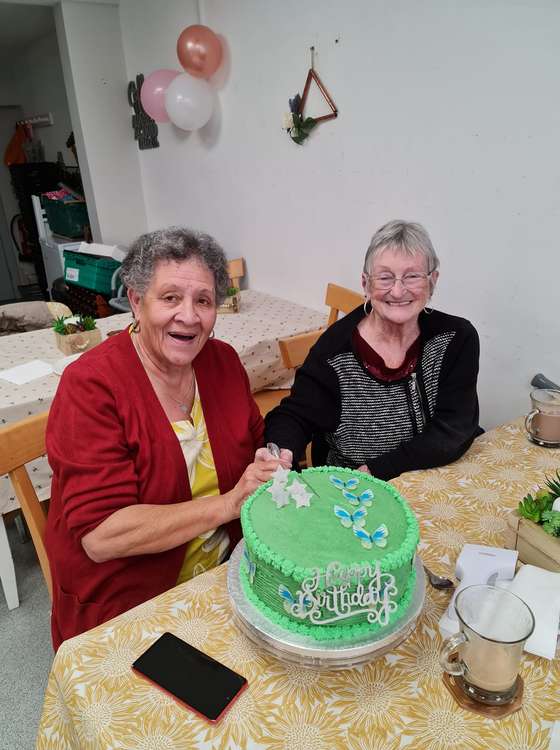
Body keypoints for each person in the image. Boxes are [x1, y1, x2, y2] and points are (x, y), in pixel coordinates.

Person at [46, 227, 290, 649]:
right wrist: (229, 504)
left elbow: (254, 441)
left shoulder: (223, 362)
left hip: (227, 575)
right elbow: (102, 536)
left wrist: (269, 462)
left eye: (203, 301)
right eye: (170, 298)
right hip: (132, 602)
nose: (189, 316)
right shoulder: (90, 385)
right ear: (137, 301)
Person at [265, 220, 482, 479]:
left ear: (432, 281)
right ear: (366, 284)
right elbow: (294, 416)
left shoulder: (456, 338)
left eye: (412, 276)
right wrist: (282, 453)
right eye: (385, 277)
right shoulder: (335, 353)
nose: (398, 290)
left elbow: (454, 429)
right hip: (357, 486)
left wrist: (382, 467)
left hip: (437, 474)